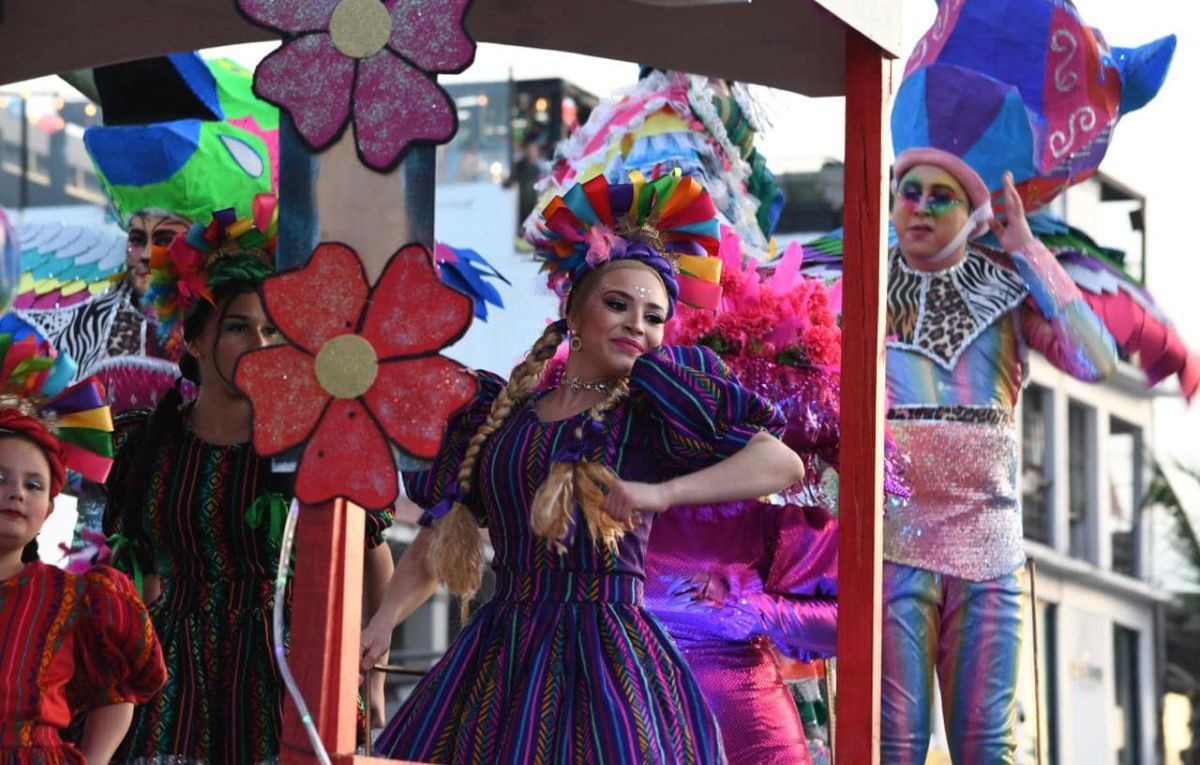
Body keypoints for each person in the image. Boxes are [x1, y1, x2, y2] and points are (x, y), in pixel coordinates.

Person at [363, 172, 804, 763]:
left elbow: (781, 462)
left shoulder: (652, 409)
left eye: (654, 317)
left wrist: (662, 493)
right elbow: (445, 530)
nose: (637, 325)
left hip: (609, 660)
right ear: (573, 309)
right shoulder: (501, 420)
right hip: (500, 654)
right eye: (618, 304)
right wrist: (385, 619)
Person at [101, 218, 394, 764]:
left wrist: (372, 662)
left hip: (287, 667)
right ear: (193, 338)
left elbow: (371, 553)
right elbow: (131, 574)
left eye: (273, 331)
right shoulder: (148, 446)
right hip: (172, 670)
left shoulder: (316, 442)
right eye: (239, 327)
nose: (260, 344)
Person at [879, 156, 1117, 762]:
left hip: (989, 549)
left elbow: (1097, 361)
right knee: (888, 748)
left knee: (988, 749)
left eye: (941, 197)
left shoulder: (1009, 292)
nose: (921, 208)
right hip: (889, 544)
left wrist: (1029, 252)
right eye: (909, 193)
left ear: (973, 216)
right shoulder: (859, 291)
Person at [0, 356, 166, 765]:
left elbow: (117, 690)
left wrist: (94, 760)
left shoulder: (74, 597)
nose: (16, 492)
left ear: (49, 509)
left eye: (33, 484)